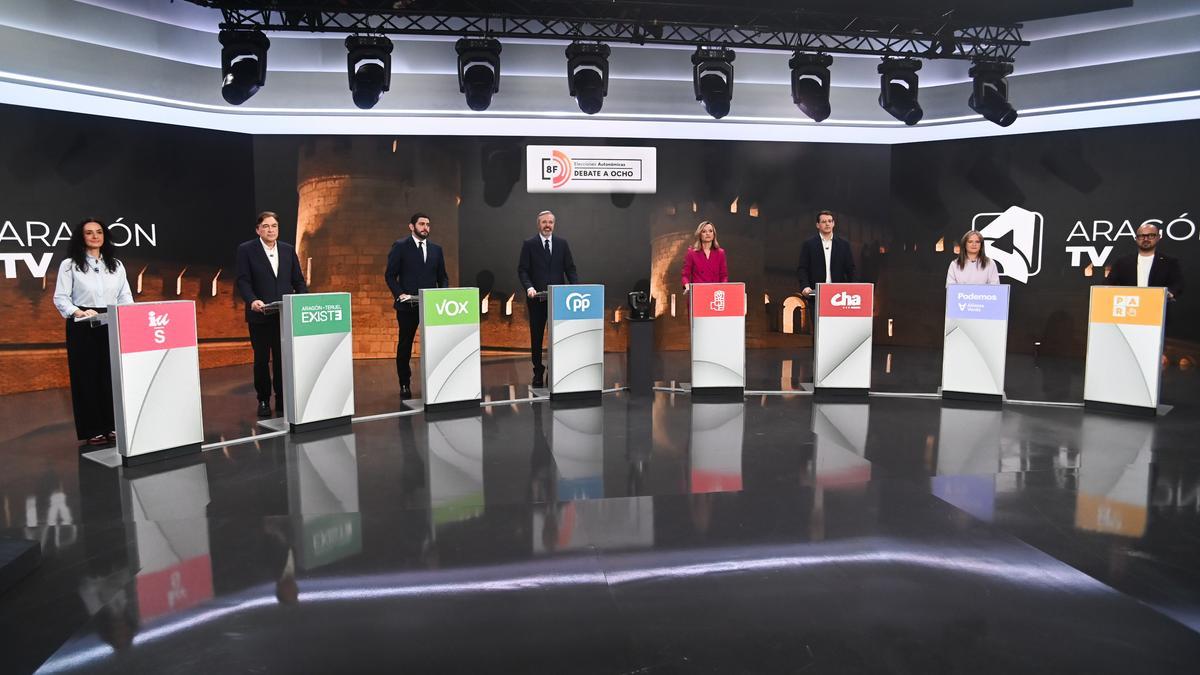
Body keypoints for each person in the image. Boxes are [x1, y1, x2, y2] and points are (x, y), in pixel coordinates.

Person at [53, 218, 133, 447]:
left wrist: (127, 314)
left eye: (99, 232)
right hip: (82, 323)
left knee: (111, 376)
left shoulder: (116, 264)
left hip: (111, 321)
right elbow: (61, 298)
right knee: (86, 377)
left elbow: (124, 296)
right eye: (89, 233)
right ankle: (93, 429)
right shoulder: (69, 265)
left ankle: (112, 425)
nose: (95, 236)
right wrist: (76, 312)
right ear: (82, 237)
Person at [235, 211, 309, 418]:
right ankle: (263, 400)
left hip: (284, 315)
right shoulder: (246, 250)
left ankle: (282, 398)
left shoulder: (287, 250)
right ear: (258, 229)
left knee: (282, 358)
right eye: (266, 226)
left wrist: (302, 299)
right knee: (261, 359)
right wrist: (252, 300)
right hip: (260, 315)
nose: (270, 230)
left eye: (274, 226)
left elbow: (298, 281)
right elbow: (243, 280)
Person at [384, 212, 449, 399]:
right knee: (405, 345)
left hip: (432, 306)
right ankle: (404, 383)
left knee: (435, 345)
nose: (425, 227)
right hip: (408, 306)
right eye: (421, 224)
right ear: (411, 226)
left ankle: (437, 381)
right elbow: (389, 275)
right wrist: (400, 294)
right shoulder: (400, 246)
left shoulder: (437, 249)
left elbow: (443, 276)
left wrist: (442, 292)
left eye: (428, 224)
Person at [517, 210, 578, 388]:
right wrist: (529, 287)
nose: (547, 225)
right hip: (536, 300)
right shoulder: (529, 244)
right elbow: (522, 270)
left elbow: (570, 268)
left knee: (557, 337)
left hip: (558, 301)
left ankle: (554, 369)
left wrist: (576, 288)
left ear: (554, 224)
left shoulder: (562, 244)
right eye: (544, 222)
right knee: (536, 337)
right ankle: (538, 371)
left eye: (550, 222)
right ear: (538, 224)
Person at [797, 210, 856, 325]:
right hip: (817, 294)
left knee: (838, 329)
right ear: (818, 225)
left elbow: (851, 268)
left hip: (839, 296)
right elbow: (802, 268)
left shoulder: (844, 245)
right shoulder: (809, 244)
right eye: (824, 222)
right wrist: (805, 286)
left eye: (830, 221)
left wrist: (853, 290)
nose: (827, 224)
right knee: (819, 331)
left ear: (834, 223)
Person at [1108, 222, 1184, 301]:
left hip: (1157, 306)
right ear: (1136, 238)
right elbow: (1108, 284)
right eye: (1141, 236)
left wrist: (1169, 293)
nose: (1146, 239)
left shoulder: (1169, 262)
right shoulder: (1122, 262)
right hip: (1129, 307)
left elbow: (1177, 284)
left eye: (1151, 236)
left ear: (1158, 237)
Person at [681, 220, 728, 292]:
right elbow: (685, 275)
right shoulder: (691, 253)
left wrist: (722, 288)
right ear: (699, 234)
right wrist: (687, 285)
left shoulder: (720, 253)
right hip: (697, 293)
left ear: (714, 234)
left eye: (710, 231)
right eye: (704, 231)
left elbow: (724, 276)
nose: (708, 233)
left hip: (715, 293)